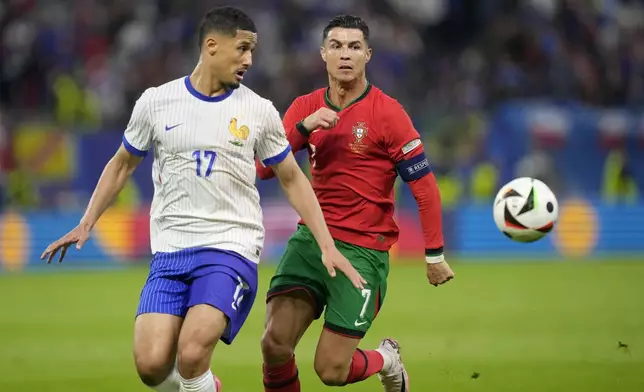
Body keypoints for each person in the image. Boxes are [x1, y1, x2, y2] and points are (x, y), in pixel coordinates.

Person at [40, 7, 364, 392]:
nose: (249, 60)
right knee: (151, 366)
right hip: (171, 251)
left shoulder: (257, 110)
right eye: (242, 49)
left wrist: (326, 243)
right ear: (212, 46)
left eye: (252, 51)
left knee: (192, 353)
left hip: (231, 248)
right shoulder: (156, 102)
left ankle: (197, 378)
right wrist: (87, 221)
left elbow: (292, 178)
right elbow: (122, 164)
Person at [256, 15, 455, 392]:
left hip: (363, 251)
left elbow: (424, 185)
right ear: (323, 55)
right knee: (274, 344)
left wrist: (434, 255)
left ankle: (387, 359)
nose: (344, 54)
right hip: (311, 242)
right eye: (336, 46)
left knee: (331, 370)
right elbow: (264, 170)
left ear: (368, 55)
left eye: (353, 47)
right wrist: (303, 129)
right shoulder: (305, 107)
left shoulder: (388, 113)